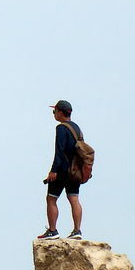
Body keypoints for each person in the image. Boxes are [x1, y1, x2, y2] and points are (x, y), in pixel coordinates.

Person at [37, 99, 84, 239]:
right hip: (75, 171)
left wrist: (53, 171)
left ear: (60, 112)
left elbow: (59, 151)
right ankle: (77, 231)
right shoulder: (77, 128)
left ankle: (52, 231)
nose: (54, 114)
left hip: (62, 170)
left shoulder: (61, 128)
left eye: (54, 111)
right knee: (74, 198)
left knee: (51, 199)